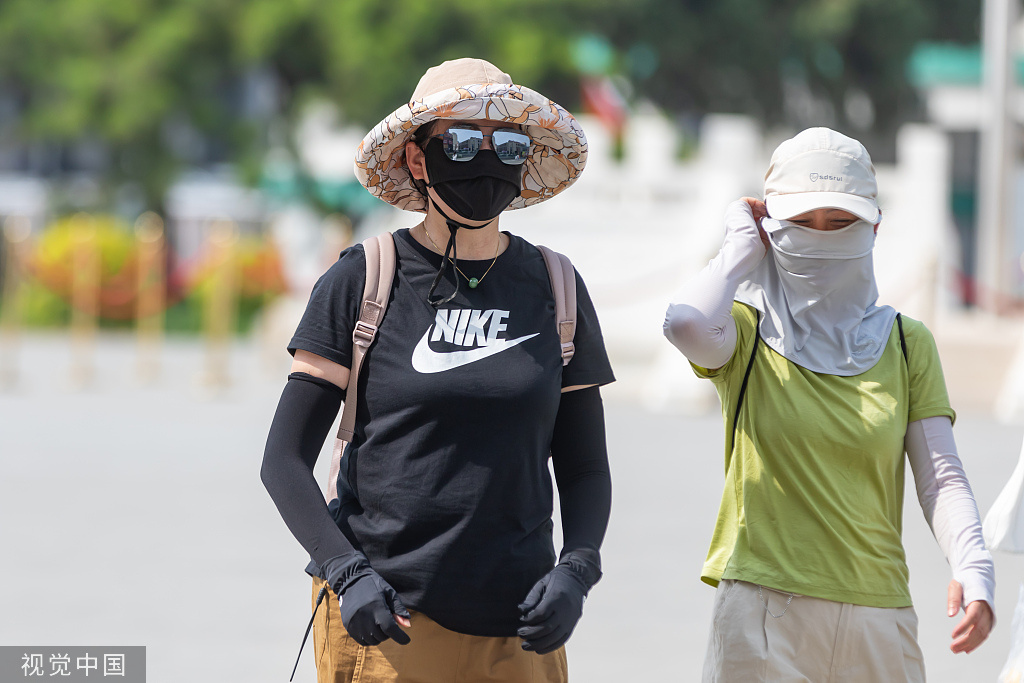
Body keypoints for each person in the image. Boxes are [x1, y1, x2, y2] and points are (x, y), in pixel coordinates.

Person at [261, 57, 615, 683]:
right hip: (389, 621)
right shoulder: (363, 280)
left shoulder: (556, 286)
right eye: (459, 141)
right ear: (419, 160)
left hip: (523, 632)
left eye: (506, 142)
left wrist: (577, 571)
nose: (484, 157)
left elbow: (583, 465)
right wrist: (347, 575)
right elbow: (283, 460)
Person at [663, 127, 995, 682]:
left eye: (840, 223)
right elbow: (686, 323)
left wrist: (974, 569)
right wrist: (739, 247)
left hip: (879, 616)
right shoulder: (745, 334)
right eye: (800, 223)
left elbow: (941, 478)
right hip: (762, 612)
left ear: (874, 227)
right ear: (771, 227)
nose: (820, 237)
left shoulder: (907, 343)